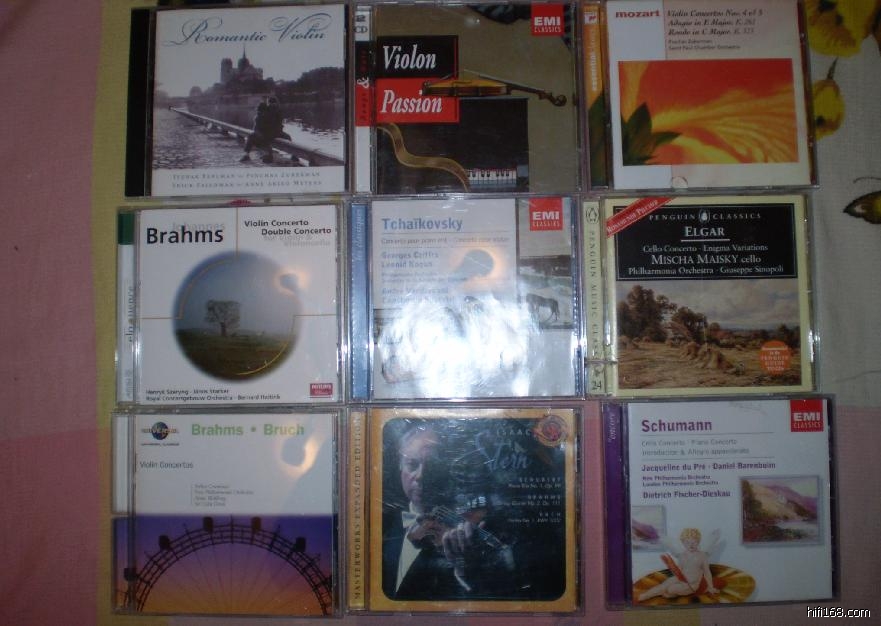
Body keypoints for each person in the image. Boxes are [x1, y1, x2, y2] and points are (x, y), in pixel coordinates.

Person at [381, 422, 515, 600]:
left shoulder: (472, 528)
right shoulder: (385, 527)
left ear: (448, 470)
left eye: (433, 466)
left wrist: (465, 571)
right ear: (400, 466)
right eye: (412, 464)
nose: (421, 476)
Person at [637, 528, 721, 602]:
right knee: (664, 585)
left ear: (698, 542)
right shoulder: (682, 555)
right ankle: (646, 595)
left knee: (670, 589)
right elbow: (679, 570)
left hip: (691, 585)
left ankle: (671, 593)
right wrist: (674, 573)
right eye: (687, 542)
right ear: (683, 543)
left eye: (694, 542)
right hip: (680, 579)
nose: (691, 545)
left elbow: (707, 572)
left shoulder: (702, 556)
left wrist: (710, 587)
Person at [240, 97, 290, 164]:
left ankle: (265, 155)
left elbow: (269, 124)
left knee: (254, 137)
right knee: (287, 137)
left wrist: (260, 130)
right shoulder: (274, 110)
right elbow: (276, 124)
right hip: (274, 132)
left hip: (271, 132)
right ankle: (293, 156)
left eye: (269, 103)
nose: (270, 105)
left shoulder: (270, 111)